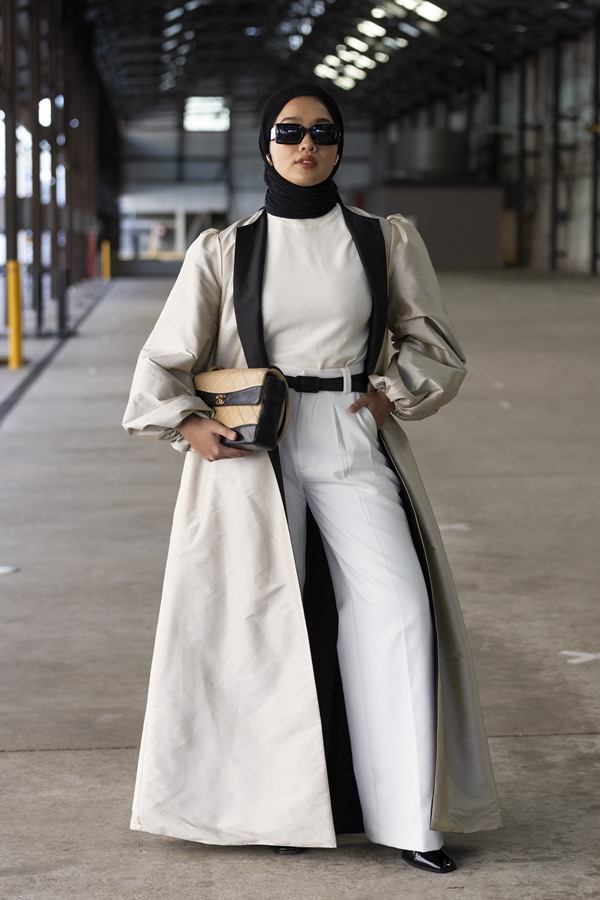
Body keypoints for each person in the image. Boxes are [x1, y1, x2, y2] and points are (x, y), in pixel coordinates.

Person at [123, 82, 501, 875]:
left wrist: (391, 393)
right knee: (262, 624)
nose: (307, 144)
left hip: (347, 432)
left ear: (340, 145)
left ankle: (409, 819)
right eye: (290, 131)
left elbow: (433, 342)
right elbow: (166, 356)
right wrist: (189, 423)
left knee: (398, 607)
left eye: (323, 131)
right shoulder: (223, 250)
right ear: (266, 143)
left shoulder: (383, 239)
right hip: (251, 444)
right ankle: (284, 804)